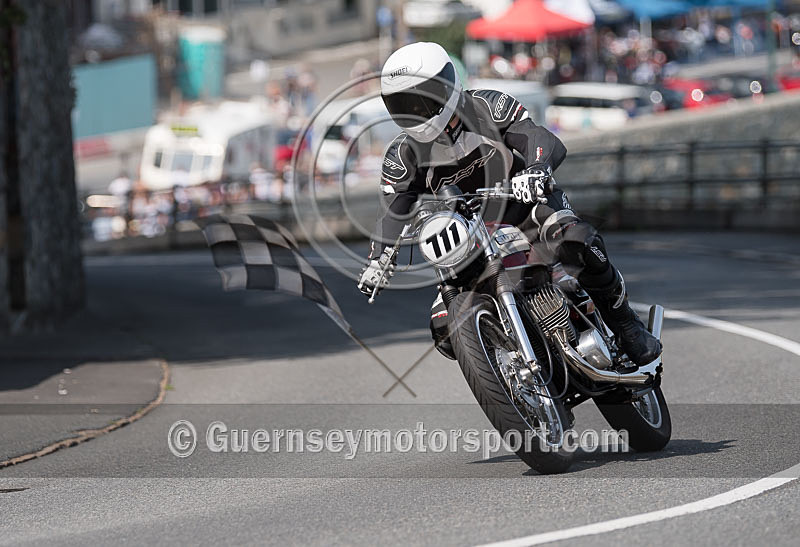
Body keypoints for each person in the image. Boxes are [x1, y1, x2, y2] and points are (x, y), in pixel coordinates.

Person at [356, 42, 661, 367]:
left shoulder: (487, 105)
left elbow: (540, 139)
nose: (416, 111)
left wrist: (536, 171)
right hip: (466, 234)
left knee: (576, 240)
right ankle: (509, 365)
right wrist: (378, 259)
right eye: (405, 104)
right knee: (443, 326)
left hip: (525, 206)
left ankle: (627, 326)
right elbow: (393, 208)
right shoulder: (401, 156)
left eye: (423, 99)